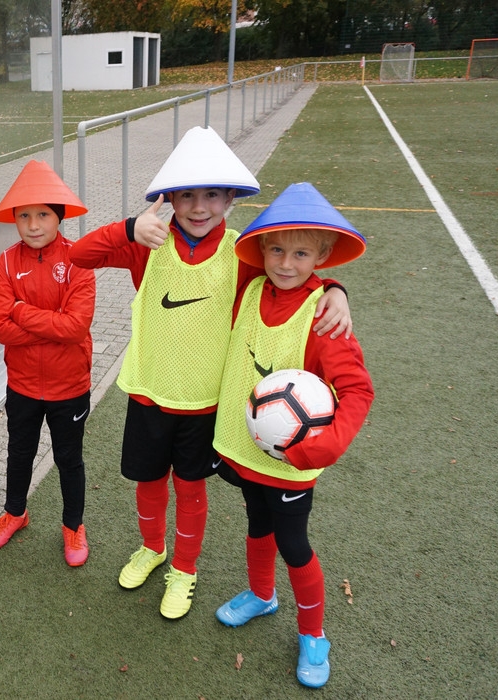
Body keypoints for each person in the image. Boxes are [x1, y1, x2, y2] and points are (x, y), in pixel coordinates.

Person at [68, 126, 352, 619]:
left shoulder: (242, 254)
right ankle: (152, 548)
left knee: (189, 486)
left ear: (231, 199)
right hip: (148, 391)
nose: (199, 207)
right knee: (148, 483)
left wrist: (333, 288)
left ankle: (184, 569)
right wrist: (128, 227)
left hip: (205, 403)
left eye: (213, 195)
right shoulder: (149, 243)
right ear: (170, 199)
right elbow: (78, 256)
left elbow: (290, 278)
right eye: (187, 195)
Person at [212, 182, 374, 688]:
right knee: (256, 524)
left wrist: (323, 447)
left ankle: (314, 634)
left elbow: (358, 390)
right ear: (262, 249)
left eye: (301, 253)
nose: (285, 263)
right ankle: (263, 595)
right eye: (277, 249)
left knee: (294, 543)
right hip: (247, 450)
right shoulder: (250, 287)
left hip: (293, 464)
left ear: (321, 256)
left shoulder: (323, 317)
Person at [0, 160, 96, 566]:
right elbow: (1, 327)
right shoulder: (6, 262)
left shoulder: (79, 260)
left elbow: (76, 327)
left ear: (59, 216)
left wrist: (21, 310)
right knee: (19, 452)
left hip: (70, 384)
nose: (33, 225)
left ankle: (73, 525)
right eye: (24, 216)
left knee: (69, 458)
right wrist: (51, 324)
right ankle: (15, 513)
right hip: (23, 384)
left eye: (43, 214)